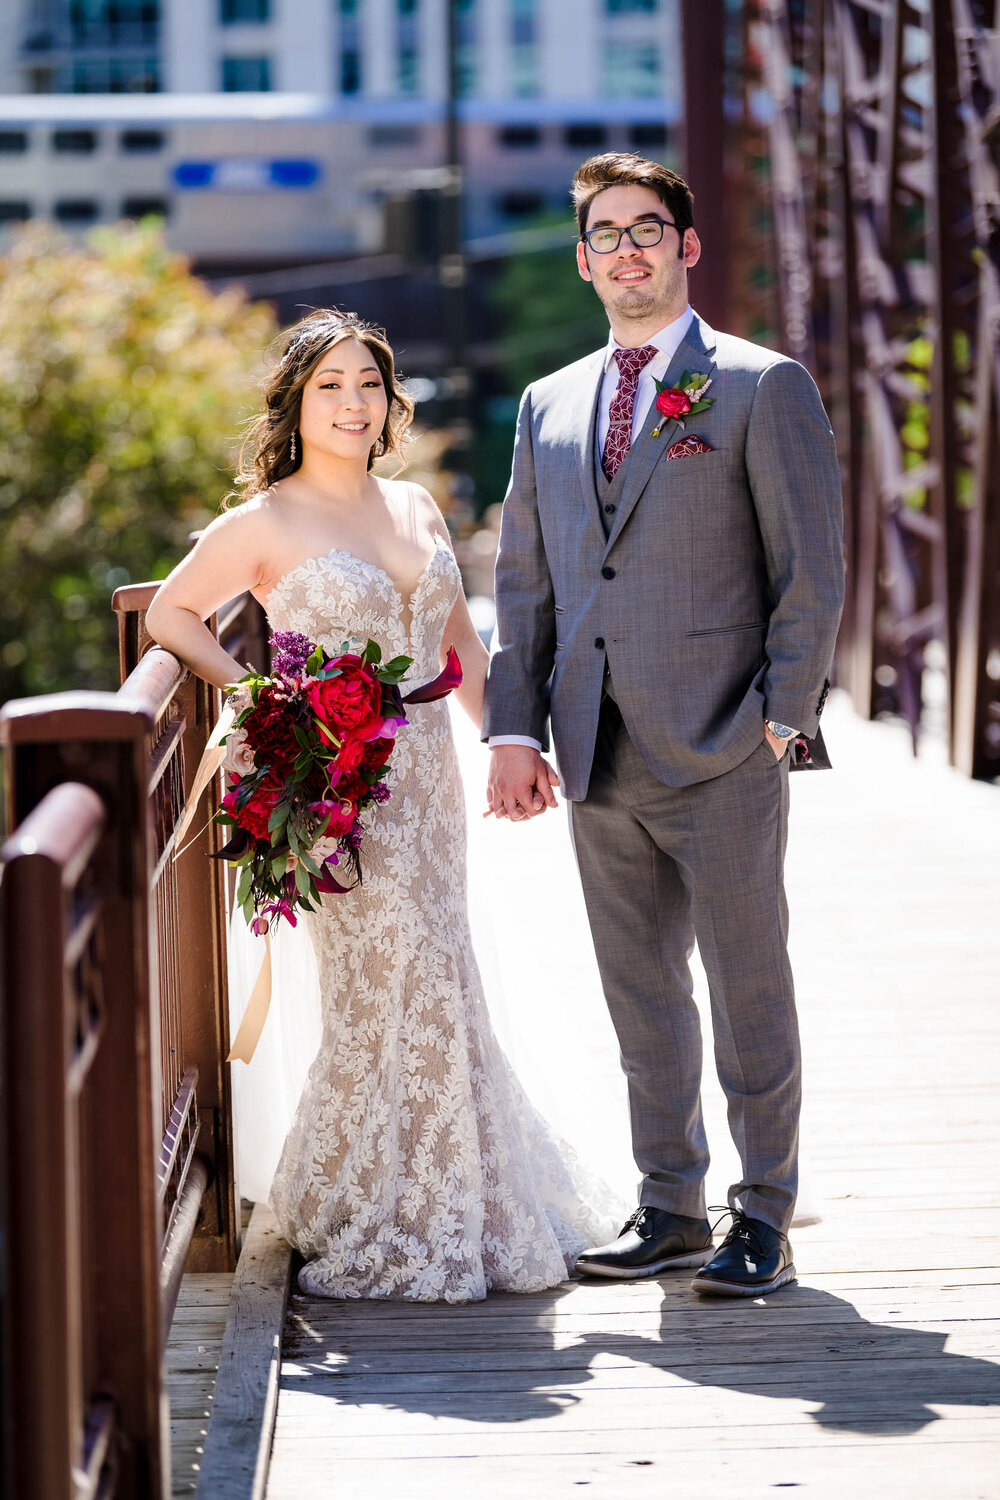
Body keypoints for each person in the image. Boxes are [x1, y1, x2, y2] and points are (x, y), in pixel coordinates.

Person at [146, 309, 614, 1303]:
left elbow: (459, 649)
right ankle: (378, 1207)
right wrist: (256, 696)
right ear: (296, 403)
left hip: (431, 774)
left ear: (388, 401)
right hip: (334, 779)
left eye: (368, 384)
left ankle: (459, 1195)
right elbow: (167, 612)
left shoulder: (414, 510)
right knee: (382, 979)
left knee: (443, 964)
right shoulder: (262, 522)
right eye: (330, 386)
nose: (352, 404)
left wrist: (510, 741)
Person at [483, 153, 845, 1297]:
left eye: (648, 228)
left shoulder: (758, 384)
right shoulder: (547, 403)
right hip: (594, 748)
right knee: (639, 993)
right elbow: (524, 587)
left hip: (723, 741)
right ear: (582, 258)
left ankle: (764, 1217)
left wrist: (779, 723)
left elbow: (810, 573)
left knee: (748, 990)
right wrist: (513, 730)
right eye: (604, 232)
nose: (627, 248)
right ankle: (670, 1205)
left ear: (686, 248)